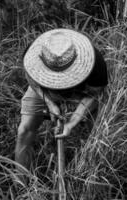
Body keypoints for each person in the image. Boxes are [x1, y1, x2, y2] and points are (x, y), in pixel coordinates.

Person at [15, 28, 108, 171]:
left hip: (81, 91)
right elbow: (30, 78)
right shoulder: (32, 53)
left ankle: (93, 173)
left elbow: (94, 94)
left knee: (97, 134)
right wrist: (49, 102)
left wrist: (71, 123)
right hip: (44, 90)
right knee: (24, 131)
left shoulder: (95, 61)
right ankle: (20, 186)